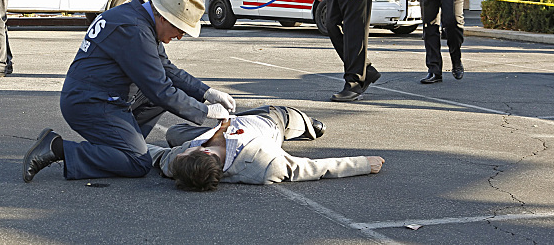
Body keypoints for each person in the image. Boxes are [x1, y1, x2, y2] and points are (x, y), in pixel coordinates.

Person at [22, 0, 236, 182]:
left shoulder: (139, 19)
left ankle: (121, 146)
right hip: (89, 103)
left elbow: (167, 71)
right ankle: (57, 148)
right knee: (138, 162)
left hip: (98, 95)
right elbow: (160, 88)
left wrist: (207, 92)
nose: (180, 36)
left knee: (161, 101)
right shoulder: (135, 30)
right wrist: (204, 111)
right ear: (164, 18)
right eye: (180, 29)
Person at [148, 105, 384, 190]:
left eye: (185, 151)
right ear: (205, 152)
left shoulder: (176, 163)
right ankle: (308, 124)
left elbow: (153, 154)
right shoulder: (264, 164)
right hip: (268, 120)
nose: (182, 151)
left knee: (173, 134)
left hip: (225, 122)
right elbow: (311, 167)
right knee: (306, 124)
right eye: (186, 151)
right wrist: (363, 164)